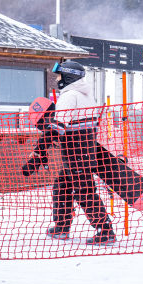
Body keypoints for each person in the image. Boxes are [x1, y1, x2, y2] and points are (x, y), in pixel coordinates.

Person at [28, 60, 116, 246]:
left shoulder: (69, 96)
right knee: (62, 186)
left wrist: (39, 152)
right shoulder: (85, 95)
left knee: (85, 192)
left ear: (68, 75)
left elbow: (56, 128)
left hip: (76, 155)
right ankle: (61, 226)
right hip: (83, 153)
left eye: (59, 74)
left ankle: (105, 230)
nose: (57, 78)